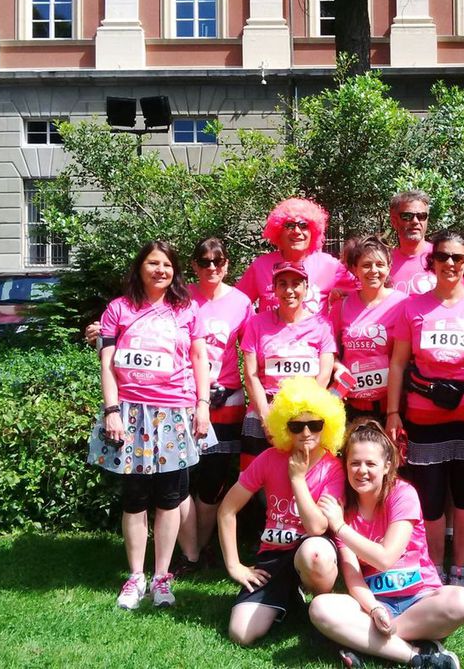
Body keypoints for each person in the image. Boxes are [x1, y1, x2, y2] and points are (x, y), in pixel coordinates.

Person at [87, 240, 211, 610]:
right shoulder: (118, 309)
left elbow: (200, 358)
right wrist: (112, 410)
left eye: (167, 265)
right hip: (130, 412)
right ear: (140, 267)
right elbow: (107, 363)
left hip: (174, 412)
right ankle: (135, 577)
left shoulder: (186, 309)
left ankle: (162, 578)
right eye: (153, 263)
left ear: (175, 271)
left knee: (170, 499)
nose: (160, 270)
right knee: (135, 498)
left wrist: (202, 406)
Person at [386, 231, 464, 587]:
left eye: (458, 257)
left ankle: (461, 570)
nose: (450, 263)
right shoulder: (412, 307)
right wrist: (393, 413)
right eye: (443, 256)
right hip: (424, 413)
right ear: (432, 261)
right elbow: (398, 363)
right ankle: (434, 569)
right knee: (431, 496)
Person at [310, 422, 464, 669]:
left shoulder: (403, 494)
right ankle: (418, 655)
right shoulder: (342, 507)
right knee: (320, 608)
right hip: (374, 604)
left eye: (371, 464)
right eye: (354, 463)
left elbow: (385, 558)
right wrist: (375, 609)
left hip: (421, 598)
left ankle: (368, 644)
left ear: (387, 466)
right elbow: (353, 575)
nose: (361, 471)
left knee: (463, 601)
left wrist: (341, 528)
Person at [218, 376, 346, 646]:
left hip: (311, 550)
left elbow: (317, 528)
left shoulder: (332, 467)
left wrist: (297, 479)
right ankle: (289, 596)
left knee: (316, 555)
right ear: (285, 428)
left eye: (315, 424)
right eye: (297, 426)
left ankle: (322, 606)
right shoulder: (268, 459)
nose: (306, 433)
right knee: (241, 634)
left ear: (327, 425)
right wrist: (234, 565)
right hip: (273, 557)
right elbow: (227, 510)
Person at [171, 237, 255, 576]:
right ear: (194, 265)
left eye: (218, 262)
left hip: (227, 403)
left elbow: (255, 347)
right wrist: (106, 331)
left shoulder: (241, 302)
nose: (211, 268)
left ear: (227, 265)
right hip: (181, 400)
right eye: (204, 262)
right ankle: (189, 553)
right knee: (178, 482)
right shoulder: (181, 298)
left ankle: (201, 550)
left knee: (211, 486)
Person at [240, 260, 337, 467]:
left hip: (306, 416)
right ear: (274, 289)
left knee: (301, 476)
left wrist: (301, 413)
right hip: (263, 408)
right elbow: (251, 375)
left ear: (306, 288)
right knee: (255, 484)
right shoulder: (257, 323)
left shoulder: (322, 325)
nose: (289, 290)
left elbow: (324, 375)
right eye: (282, 284)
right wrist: (267, 418)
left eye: (296, 283)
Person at [332, 236, 409, 426]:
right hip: (352, 406)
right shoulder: (341, 306)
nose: (373, 271)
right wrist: (338, 367)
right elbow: (327, 350)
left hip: (394, 407)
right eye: (366, 265)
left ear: (389, 267)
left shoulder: (404, 304)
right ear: (355, 269)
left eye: (379, 264)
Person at [236, 197, 357, 313]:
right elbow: (236, 304)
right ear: (278, 230)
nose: (297, 232)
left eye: (304, 225)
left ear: (313, 231)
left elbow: (364, 291)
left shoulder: (329, 265)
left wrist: (340, 299)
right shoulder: (261, 266)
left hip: (315, 334)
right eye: (290, 225)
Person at [388, 191, 437, 295]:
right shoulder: (382, 263)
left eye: (421, 216)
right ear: (394, 221)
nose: (415, 221)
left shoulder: (444, 256)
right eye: (407, 216)